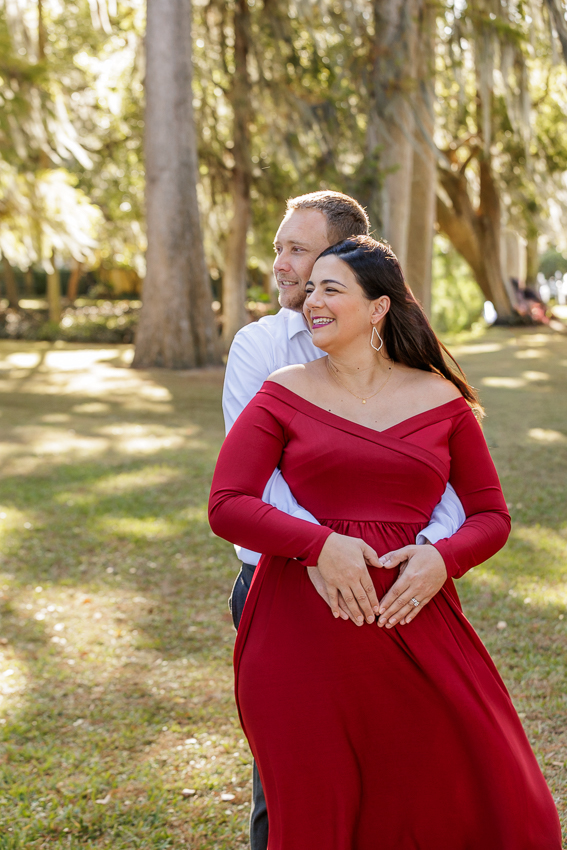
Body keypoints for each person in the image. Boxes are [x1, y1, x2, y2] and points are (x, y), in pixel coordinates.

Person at [210, 236, 561, 848]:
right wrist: (318, 545)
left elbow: (490, 515)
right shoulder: (283, 391)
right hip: (300, 636)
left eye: (330, 288)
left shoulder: (440, 397)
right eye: (310, 288)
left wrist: (442, 558)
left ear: (378, 308)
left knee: (492, 787)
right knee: (320, 816)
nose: (311, 300)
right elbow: (227, 504)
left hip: (417, 619)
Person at [222, 191, 465, 849]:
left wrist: (431, 553)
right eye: (278, 248)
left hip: (395, 589)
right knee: (287, 783)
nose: (279, 264)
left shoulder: (400, 353)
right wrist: (329, 548)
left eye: (295, 250)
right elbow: (256, 487)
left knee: (398, 769)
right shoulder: (260, 347)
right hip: (282, 586)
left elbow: (436, 475)